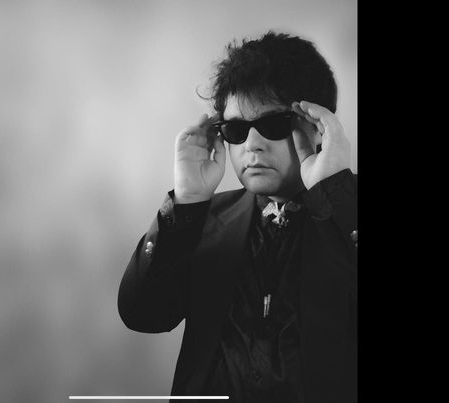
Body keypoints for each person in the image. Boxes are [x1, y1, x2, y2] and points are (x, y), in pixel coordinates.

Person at [117, 31, 357, 403]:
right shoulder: (203, 220)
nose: (252, 145)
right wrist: (187, 202)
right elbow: (143, 315)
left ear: (318, 124)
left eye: (274, 125)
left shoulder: (350, 213)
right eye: (236, 130)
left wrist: (337, 193)